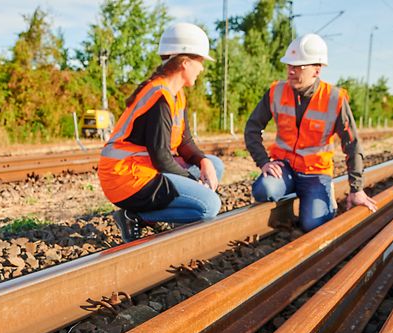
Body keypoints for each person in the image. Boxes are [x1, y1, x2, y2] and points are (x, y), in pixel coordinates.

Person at [98, 22, 224, 243]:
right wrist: (195, 180)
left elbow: (185, 142)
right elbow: (162, 158)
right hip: (127, 177)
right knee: (209, 206)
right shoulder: (159, 97)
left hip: (145, 170)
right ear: (185, 63)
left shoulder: (176, 94)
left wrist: (203, 162)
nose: (202, 68)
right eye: (200, 62)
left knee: (215, 165)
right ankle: (135, 216)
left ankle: (177, 217)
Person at [244, 33, 376, 232]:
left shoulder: (335, 99)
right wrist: (264, 162)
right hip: (285, 167)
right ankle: (297, 197)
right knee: (264, 190)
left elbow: (352, 144)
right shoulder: (276, 92)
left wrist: (356, 189)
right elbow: (252, 128)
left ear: (317, 69)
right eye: (289, 65)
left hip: (316, 173)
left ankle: (321, 198)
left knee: (313, 225)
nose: (291, 71)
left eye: (298, 67)